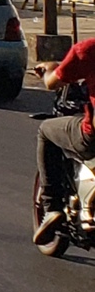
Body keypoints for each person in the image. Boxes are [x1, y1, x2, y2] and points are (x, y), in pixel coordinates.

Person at [33, 38, 95, 243]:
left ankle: (52, 208)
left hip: (91, 136)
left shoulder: (87, 50)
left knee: (46, 130)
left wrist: (48, 68)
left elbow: (52, 82)